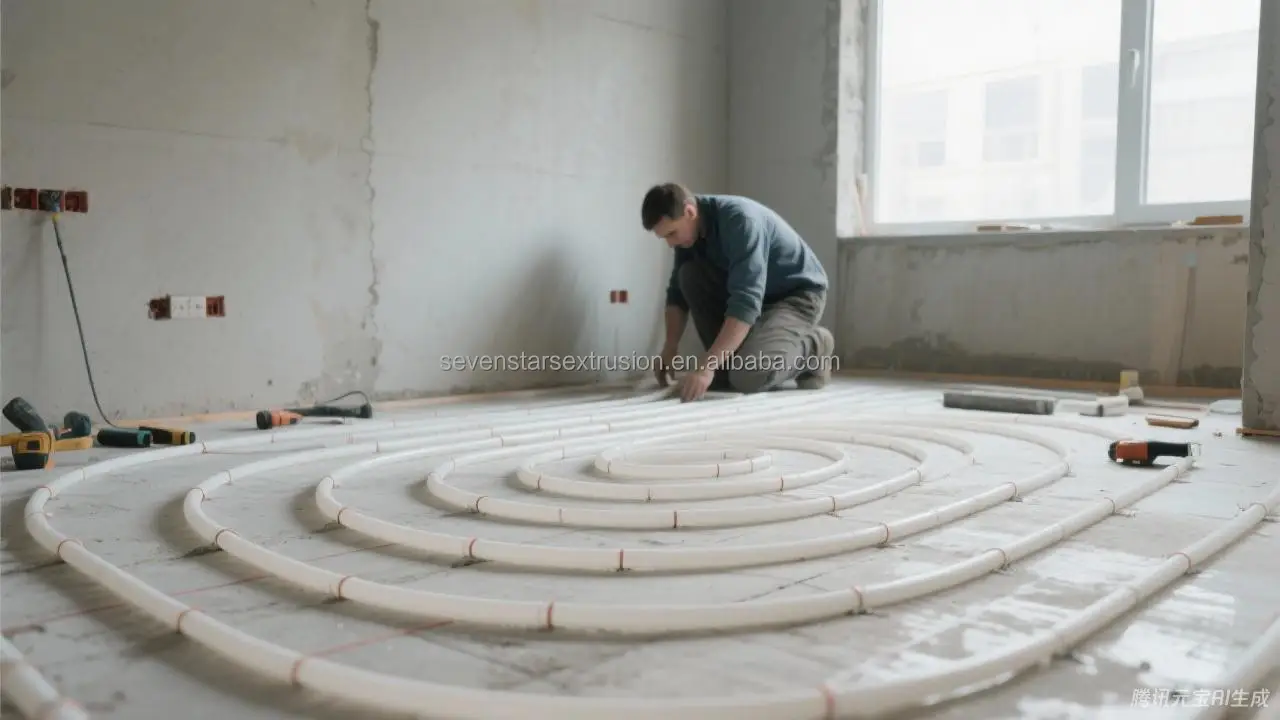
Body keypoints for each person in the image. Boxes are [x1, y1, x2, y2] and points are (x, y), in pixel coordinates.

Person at [641, 183, 835, 403]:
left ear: (690, 212)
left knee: (749, 376)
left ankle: (816, 347)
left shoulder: (741, 221)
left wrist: (707, 366)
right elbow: (677, 293)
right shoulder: (688, 235)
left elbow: (745, 303)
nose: (670, 243)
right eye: (665, 238)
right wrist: (670, 346)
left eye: (672, 233)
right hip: (758, 300)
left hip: (797, 296)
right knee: (688, 275)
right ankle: (726, 365)